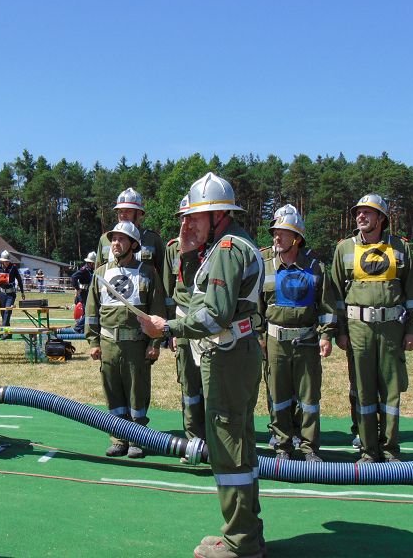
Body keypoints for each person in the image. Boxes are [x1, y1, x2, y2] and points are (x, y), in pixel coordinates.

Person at [138, 172, 265, 558]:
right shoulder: (227, 245)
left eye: (195, 216)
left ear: (218, 215)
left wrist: (166, 327)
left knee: (228, 448)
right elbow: (198, 295)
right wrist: (191, 251)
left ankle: (240, 542)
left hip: (227, 356)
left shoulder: (227, 248)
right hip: (235, 354)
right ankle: (243, 532)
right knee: (237, 444)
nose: (186, 224)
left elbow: (213, 317)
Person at [330, 193, 413, 463]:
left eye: (368, 213)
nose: (361, 216)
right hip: (358, 329)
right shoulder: (343, 249)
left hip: (392, 328)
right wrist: (340, 331)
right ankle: (368, 450)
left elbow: (412, 292)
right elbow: (335, 295)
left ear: (381, 219)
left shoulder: (401, 248)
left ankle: (391, 449)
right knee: (362, 389)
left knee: (391, 390)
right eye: (359, 212)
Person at [259, 209, 335, 462]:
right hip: (274, 341)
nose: (276, 238)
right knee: (277, 395)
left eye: (282, 234)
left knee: (309, 397)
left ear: (297, 239)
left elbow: (326, 307)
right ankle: (282, 445)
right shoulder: (265, 265)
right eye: (275, 234)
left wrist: (326, 336)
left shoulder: (316, 268)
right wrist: (259, 337)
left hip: (306, 342)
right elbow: (256, 307)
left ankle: (309, 447)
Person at [85, 221, 165, 460]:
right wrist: (93, 342)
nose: (116, 243)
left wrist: (155, 343)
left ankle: (137, 439)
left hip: (137, 346)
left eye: (121, 239)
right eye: (113, 239)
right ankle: (118, 438)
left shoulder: (148, 272)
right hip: (108, 344)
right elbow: (92, 309)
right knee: (113, 393)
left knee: (137, 393)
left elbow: (157, 310)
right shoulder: (101, 273)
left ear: (133, 244)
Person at [162, 195, 207, 444]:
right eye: (183, 218)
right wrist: (169, 329)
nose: (187, 223)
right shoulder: (172, 248)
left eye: (191, 218)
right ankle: (193, 438)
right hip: (180, 321)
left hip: (206, 322)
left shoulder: (212, 247)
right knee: (188, 384)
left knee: (210, 383)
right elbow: (168, 292)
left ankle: (212, 436)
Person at [94, 187, 164, 275]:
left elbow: (163, 274)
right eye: (120, 211)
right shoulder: (105, 239)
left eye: (128, 211)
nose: (123, 215)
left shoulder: (153, 239)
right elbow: (97, 273)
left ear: (139, 213)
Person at [0, 251, 25, 337]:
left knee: (7, 312)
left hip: (11, 294)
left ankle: (3, 332)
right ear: (2, 261)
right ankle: (8, 332)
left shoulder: (13, 268)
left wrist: (22, 292)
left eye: (8, 261)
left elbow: (19, 280)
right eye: (5, 261)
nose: (7, 262)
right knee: (3, 313)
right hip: (1, 294)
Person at [71, 252, 96, 332]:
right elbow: (73, 277)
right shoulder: (84, 270)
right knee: (88, 313)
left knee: (86, 312)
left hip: (88, 293)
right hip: (84, 293)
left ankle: (82, 328)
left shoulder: (90, 270)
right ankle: (78, 327)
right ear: (91, 263)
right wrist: (77, 289)